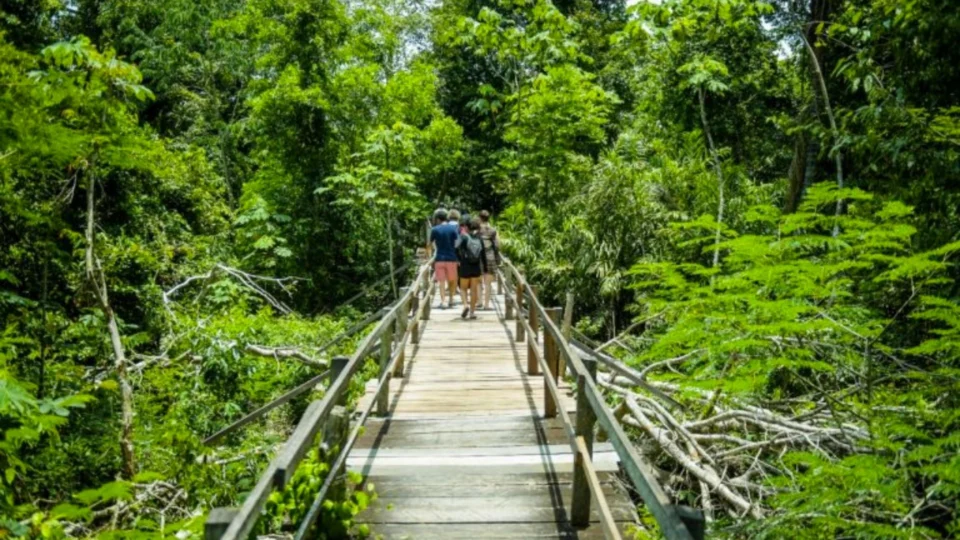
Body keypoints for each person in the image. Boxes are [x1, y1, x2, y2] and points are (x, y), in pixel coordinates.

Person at [455, 217, 487, 319]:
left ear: (467, 227)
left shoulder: (464, 237)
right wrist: (485, 269)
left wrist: (459, 260)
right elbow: (483, 255)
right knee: (474, 290)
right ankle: (472, 312)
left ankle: (465, 305)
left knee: (463, 288)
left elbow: (456, 248)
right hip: (476, 267)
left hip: (465, 266)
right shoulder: (479, 239)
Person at [429, 208, 459, 309]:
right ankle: (451, 298)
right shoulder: (453, 229)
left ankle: (443, 301)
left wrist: (429, 256)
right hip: (451, 258)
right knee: (452, 280)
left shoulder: (434, 229)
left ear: (437, 219)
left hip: (439, 258)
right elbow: (457, 243)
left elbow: (429, 244)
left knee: (441, 281)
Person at [477, 210, 502, 310]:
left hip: (478, 258)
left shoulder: (477, 231)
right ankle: (487, 305)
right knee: (488, 283)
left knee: (479, 281)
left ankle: (479, 302)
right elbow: (498, 245)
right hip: (490, 257)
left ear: (480, 218)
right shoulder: (493, 230)